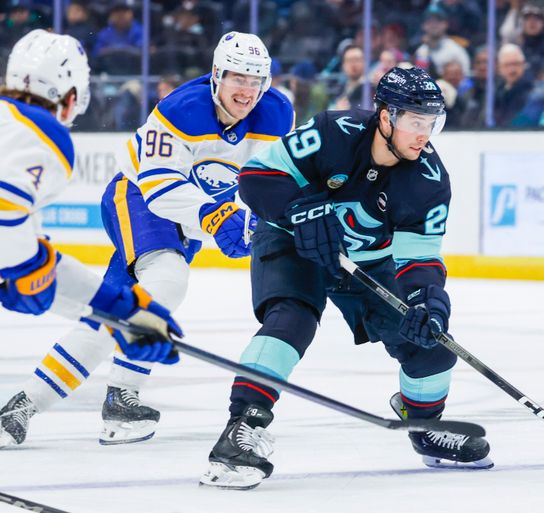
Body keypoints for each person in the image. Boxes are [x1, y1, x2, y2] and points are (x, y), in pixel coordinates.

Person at [199, 66, 492, 490]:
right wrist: (299, 209)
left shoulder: (428, 180)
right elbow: (256, 178)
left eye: (431, 123)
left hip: (369, 263)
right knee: (291, 319)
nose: (424, 134)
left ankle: (425, 424)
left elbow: (420, 258)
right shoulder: (334, 130)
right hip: (292, 241)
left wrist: (427, 300)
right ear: (386, 116)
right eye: (415, 121)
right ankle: (241, 427)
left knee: (430, 343)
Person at [0, 31, 294, 449]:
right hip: (138, 197)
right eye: (236, 77)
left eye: (254, 80)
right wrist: (216, 216)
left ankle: (32, 403)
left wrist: (256, 220)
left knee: (118, 307)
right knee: (165, 282)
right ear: (216, 74)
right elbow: (157, 185)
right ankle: (117, 392)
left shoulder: (278, 114)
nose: (245, 90)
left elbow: (269, 181)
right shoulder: (182, 108)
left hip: (189, 221)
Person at [0, 30, 182, 446]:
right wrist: (26, 270)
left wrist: (118, 307)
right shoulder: (41, 133)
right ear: (69, 98)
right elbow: (8, 225)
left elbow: (27, 252)